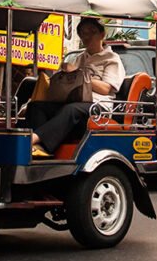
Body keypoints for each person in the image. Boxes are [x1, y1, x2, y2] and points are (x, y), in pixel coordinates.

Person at [26, 17, 124, 159]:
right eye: (83, 33)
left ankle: (34, 139)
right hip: (75, 101)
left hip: (97, 106)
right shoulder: (80, 57)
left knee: (70, 109)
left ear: (102, 35)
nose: (87, 37)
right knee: (36, 106)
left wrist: (78, 73)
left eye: (92, 32)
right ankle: (41, 149)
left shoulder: (112, 59)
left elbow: (105, 89)